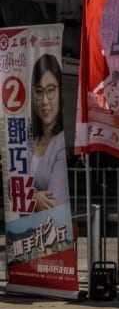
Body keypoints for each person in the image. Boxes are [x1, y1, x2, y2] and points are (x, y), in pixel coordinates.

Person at [31, 54, 69, 212]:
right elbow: (10, 186)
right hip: (22, 233)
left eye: (51, 90)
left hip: (48, 230)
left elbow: (52, 202)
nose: (45, 100)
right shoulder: (27, 138)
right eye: (39, 92)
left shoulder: (60, 143)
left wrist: (27, 196)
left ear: (60, 93)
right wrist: (34, 197)